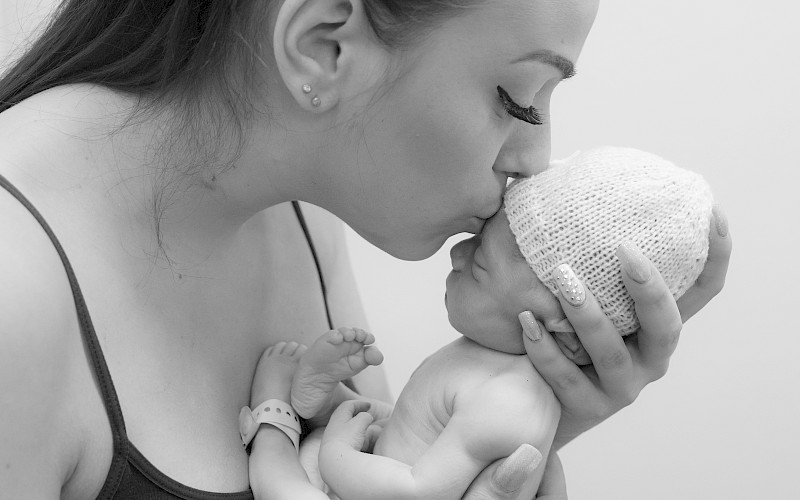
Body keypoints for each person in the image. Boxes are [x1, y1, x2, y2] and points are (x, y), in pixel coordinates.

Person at [0, 0, 731, 498]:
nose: (536, 160)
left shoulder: (297, 218)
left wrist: (531, 415)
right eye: (517, 97)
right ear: (324, 47)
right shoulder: (15, 300)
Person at [243, 147, 717, 499]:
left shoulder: (512, 402)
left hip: (367, 486)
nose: (457, 251)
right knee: (340, 421)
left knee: (282, 488)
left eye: (482, 264)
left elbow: (418, 489)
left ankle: (271, 434)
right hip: (373, 472)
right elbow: (415, 430)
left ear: (563, 335)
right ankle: (322, 404)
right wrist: (352, 410)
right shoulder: (484, 358)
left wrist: (338, 454)